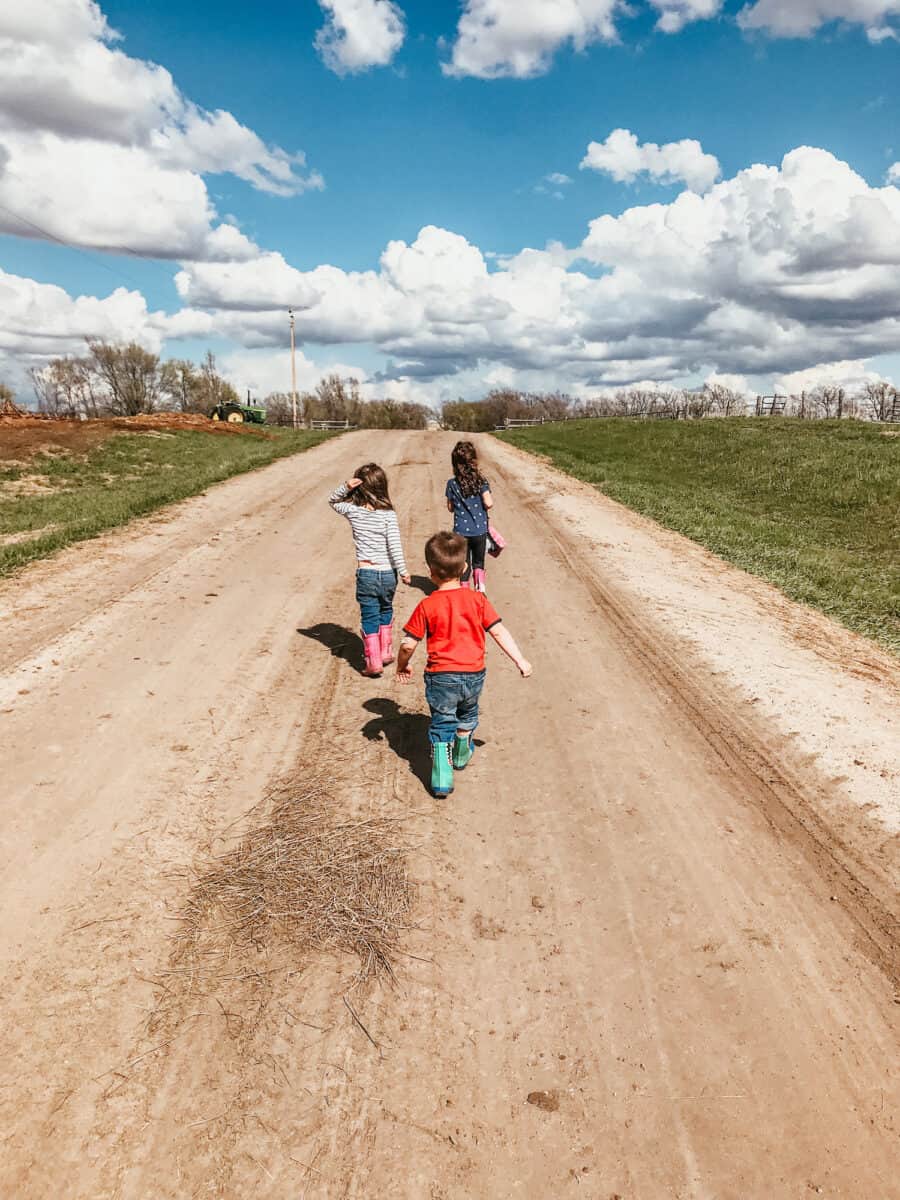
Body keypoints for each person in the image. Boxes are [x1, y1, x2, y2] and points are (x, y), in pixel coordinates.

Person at [397, 531, 531, 798]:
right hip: (473, 674)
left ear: (430, 571)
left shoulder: (426, 605)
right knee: (468, 714)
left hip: (441, 677)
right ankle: (461, 752)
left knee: (442, 721)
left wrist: (402, 665)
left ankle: (442, 777)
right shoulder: (478, 601)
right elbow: (499, 632)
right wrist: (520, 659)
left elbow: (408, 644)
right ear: (466, 568)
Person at [329, 464, 410, 677]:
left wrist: (345, 486)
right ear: (382, 487)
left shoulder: (353, 511)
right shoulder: (388, 514)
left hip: (367, 573)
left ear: (359, 489)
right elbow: (395, 545)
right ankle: (385, 652)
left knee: (369, 616)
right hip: (388, 574)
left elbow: (333, 501)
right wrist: (403, 570)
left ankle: (373, 661)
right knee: (386, 609)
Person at [446, 440, 493, 592]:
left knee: (463, 564)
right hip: (479, 530)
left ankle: (464, 592)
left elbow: (450, 507)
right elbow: (489, 502)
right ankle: (480, 589)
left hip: (460, 533)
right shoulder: (481, 481)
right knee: (478, 563)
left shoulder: (452, 484)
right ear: (473, 461)